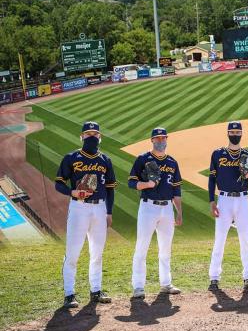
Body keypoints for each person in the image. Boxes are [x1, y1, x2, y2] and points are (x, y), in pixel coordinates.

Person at [55, 121, 117, 308]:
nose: (91, 137)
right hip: (79, 208)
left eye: (95, 134)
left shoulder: (105, 160)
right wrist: (71, 192)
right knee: (73, 253)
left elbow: (110, 189)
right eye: (88, 134)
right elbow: (58, 183)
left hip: (99, 209)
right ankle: (69, 293)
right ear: (81, 137)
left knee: (97, 253)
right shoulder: (71, 158)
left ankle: (96, 290)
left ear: (100, 138)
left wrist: (109, 211)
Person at [128, 127, 183, 299]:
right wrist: (147, 185)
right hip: (148, 207)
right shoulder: (142, 159)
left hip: (167, 209)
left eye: (163, 138)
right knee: (142, 247)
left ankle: (166, 284)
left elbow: (176, 190)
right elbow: (131, 182)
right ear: (152, 140)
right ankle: (138, 286)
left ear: (167, 139)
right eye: (157, 139)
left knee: (165, 249)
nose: (160, 141)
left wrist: (179, 212)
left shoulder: (173, 162)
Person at [208, 121, 248, 291]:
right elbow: (212, 179)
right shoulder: (218, 154)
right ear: (228, 133)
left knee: (245, 239)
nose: (235, 135)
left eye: (238, 132)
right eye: (232, 132)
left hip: (243, 200)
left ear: (242, 134)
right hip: (224, 200)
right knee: (220, 239)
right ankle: (214, 277)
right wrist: (211, 201)